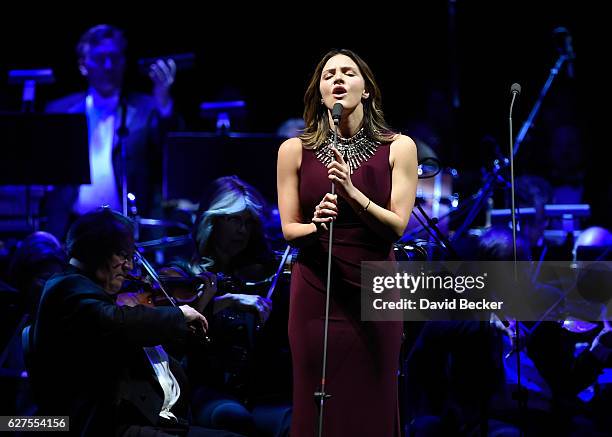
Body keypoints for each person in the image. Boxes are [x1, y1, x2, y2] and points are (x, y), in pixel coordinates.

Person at [276, 49, 418, 436]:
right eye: (328, 75)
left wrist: (353, 194)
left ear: (367, 89)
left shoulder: (400, 147)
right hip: (315, 291)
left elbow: (397, 228)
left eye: (348, 72)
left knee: (373, 402)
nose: (337, 79)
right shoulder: (293, 150)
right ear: (320, 93)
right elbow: (289, 230)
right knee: (314, 401)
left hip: (375, 290)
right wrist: (317, 228)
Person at [30, 208, 241, 436]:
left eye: (131, 257)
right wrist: (178, 316)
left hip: (129, 420)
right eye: (123, 255)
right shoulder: (67, 287)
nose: (130, 266)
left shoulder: (87, 290)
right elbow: (115, 321)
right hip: (97, 426)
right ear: (96, 250)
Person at [165, 176, 291, 436]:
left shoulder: (260, 273)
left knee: (291, 422)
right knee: (233, 419)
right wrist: (223, 300)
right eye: (233, 220)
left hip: (259, 391)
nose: (242, 231)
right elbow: (175, 335)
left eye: (247, 222)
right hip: (206, 389)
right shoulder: (184, 274)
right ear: (212, 221)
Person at [42, 24, 182, 240]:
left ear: (124, 62)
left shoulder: (146, 108)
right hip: (71, 225)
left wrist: (163, 101)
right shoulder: (59, 110)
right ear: (83, 65)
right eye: (100, 58)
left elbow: (169, 151)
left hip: (128, 228)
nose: (108, 66)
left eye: (115, 58)